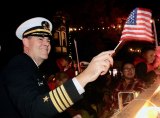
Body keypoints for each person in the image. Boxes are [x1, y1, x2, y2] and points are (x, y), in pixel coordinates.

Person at [0, 17, 114, 118]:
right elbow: (34, 110)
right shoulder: (18, 65)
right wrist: (86, 75)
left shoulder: (32, 69)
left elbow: (44, 109)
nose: (46, 43)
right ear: (26, 42)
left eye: (48, 40)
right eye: (40, 39)